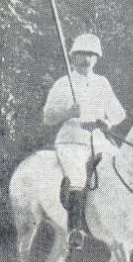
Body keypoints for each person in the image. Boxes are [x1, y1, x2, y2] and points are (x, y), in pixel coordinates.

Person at [41, 33, 126, 249]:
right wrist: (68, 113)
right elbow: (47, 117)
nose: (86, 59)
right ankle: (76, 229)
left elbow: (119, 113)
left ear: (97, 58)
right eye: (81, 54)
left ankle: (127, 224)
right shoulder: (63, 84)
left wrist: (106, 122)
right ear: (73, 56)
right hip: (71, 140)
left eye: (91, 55)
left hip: (97, 140)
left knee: (122, 167)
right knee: (78, 174)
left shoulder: (102, 83)